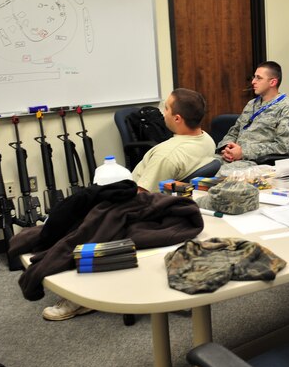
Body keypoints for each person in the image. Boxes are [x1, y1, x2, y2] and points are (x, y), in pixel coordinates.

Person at [42, 88, 215, 321]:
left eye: (166, 108)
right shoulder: (206, 139)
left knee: (81, 221)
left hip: (143, 210)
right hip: (173, 207)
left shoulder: (167, 155)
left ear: (177, 118)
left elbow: (141, 196)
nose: (162, 113)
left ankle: (81, 297)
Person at [217, 61, 289, 162]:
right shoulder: (251, 104)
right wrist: (226, 148)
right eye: (254, 77)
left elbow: (284, 147)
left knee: (218, 175)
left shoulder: (287, 108)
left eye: (258, 78)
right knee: (201, 167)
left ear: (272, 82)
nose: (253, 82)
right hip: (231, 157)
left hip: (254, 162)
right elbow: (234, 131)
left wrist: (244, 152)